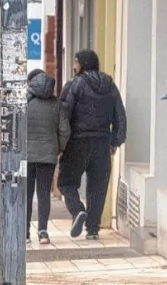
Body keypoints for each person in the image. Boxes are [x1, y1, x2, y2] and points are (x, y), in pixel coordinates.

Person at [58, 50, 127, 240]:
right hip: (102, 143)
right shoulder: (110, 85)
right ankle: (93, 229)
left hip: (77, 142)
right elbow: (120, 115)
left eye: (75, 62)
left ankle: (78, 210)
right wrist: (115, 141)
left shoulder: (75, 85)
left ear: (82, 64)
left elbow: (64, 114)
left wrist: (61, 143)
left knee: (66, 181)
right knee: (98, 186)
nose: (74, 66)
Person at [26, 69, 69, 245]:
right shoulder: (57, 104)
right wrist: (59, 148)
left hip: (26, 155)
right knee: (43, 193)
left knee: (26, 194)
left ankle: (25, 233)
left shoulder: (24, 103)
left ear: (31, 84)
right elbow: (65, 130)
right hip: (48, 154)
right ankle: (43, 232)